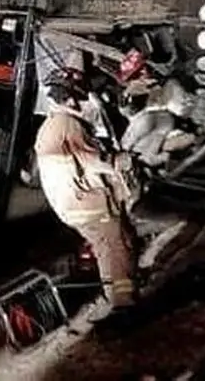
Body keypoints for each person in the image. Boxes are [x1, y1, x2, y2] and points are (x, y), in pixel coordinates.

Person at [34, 67, 137, 315]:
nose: (82, 100)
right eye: (80, 96)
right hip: (87, 204)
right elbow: (94, 160)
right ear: (69, 98)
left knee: (114, 244)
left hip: (70, 207)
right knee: (116, 247)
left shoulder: (50, 126)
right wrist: (122, 161)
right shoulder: (68, 125)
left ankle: (119, 291)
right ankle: (124, 305)